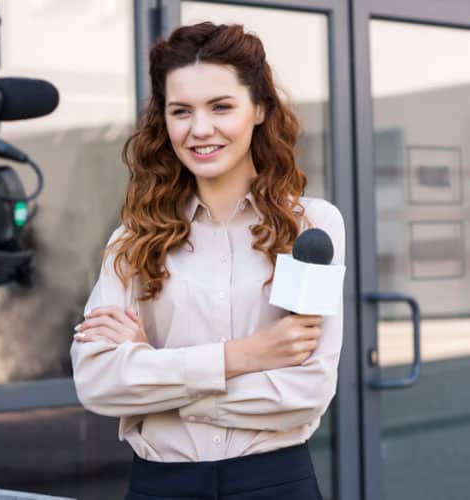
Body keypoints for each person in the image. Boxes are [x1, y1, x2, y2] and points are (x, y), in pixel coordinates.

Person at [69, 22, 345, 500]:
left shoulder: (310, 229)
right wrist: (244, 357)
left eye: (221, 107)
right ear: (165, 121)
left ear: (259, 109)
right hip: (161, 485)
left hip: (275, 483)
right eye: (182, 111)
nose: (200, 129)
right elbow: (97, 383)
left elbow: (306, 392)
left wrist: (157, 377)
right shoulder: (132, 242)